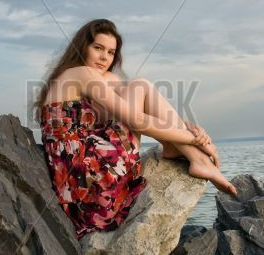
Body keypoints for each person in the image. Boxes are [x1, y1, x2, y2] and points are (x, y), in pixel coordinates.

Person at [33, 18, 237, 240]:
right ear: (82, 46)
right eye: (98, 48)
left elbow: (143, 106)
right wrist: (193, 139)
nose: (104, 57)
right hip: (94, 183)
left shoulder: (85, 77)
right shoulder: (82, 74)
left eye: (111, 53)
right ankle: (197, 158)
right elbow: (138, 121)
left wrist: (186, 125)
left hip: (80, 191)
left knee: (138, 87)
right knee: (141, 86)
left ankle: (181, 151)